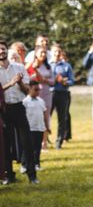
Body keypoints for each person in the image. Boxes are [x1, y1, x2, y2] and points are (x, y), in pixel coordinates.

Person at [0, 40, 36, 184]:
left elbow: (28, 91)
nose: (1, 52)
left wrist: (20, 82)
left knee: (26, 141)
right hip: (3, 110)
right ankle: (9, 176)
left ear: (7, 50)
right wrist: (11, 83)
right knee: (5, 143)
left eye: (3, 49)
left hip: (18, 107)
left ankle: (32, 175)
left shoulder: (19, 67)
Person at [26, 46, 54, 149]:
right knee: (35, 118)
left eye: (45, 53)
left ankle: (44, 143)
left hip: (46, 94)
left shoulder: (48, 66)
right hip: (34, 94)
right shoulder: (30, 66)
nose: (43, 55)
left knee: (46, 118)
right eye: (41, 53)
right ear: (36, 54)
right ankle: (33, 143)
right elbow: (27, 78)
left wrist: (44, 80)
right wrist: (35, 70)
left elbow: (52, 81)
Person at [23, 81, 49, 175]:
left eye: (39, 90)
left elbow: (45, 114)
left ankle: (36, 164)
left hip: (39, 128)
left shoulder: (41, 101)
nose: (38, 92)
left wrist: (47, 126)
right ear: (29, 89)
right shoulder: (25, 102)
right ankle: (25, 165)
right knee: (28, 148)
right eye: (36, 90)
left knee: (37, 148)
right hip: (30, 128)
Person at [51, 44, 74, 149]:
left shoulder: (66, 66)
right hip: (50, 93)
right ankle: (43, 141)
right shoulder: (47, 65)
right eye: (55, 51)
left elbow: (72, 80)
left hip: (63, 94)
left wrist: (64, 82)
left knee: (62, 118)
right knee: (46, 118)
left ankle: (59, 142)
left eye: (58, 52)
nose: (57, 54)